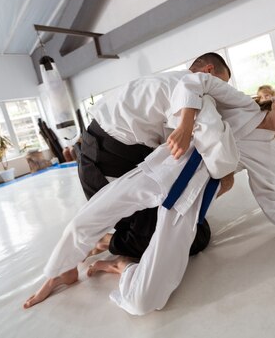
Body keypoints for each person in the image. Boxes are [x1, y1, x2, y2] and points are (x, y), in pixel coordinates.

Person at [24, 84, 275, 315]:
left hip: (187, 205)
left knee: (144, 302)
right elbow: (194, 83)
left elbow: (271, 201)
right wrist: (187, 122)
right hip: (161, 168)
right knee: (87, 219)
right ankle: (59, 273)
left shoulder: (269, 156)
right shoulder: (238, 104)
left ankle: (122, 266)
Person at [76, 52, 240, 257]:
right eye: (221, 85)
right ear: (208, 72)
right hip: (104, 169)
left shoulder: (167, 80)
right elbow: (207, 134)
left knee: (186, 221)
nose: (218, 95)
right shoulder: (187, 88)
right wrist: (226, 175)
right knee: (194, 237)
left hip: (108, 154)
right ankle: (106, 241)